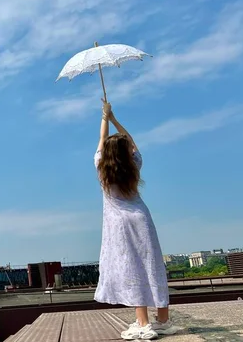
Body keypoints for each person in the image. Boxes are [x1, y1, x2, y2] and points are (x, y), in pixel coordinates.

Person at [94, 99, 178, 340]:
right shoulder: (134, 165)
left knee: (133, 269)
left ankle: (143, 323)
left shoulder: (102, 168)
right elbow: (130, 142)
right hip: (141, 217)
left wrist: (103, 118)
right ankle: (162, 320)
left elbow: (102, 143)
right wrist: (114, 119)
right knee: (152, 266)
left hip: (119, 224)